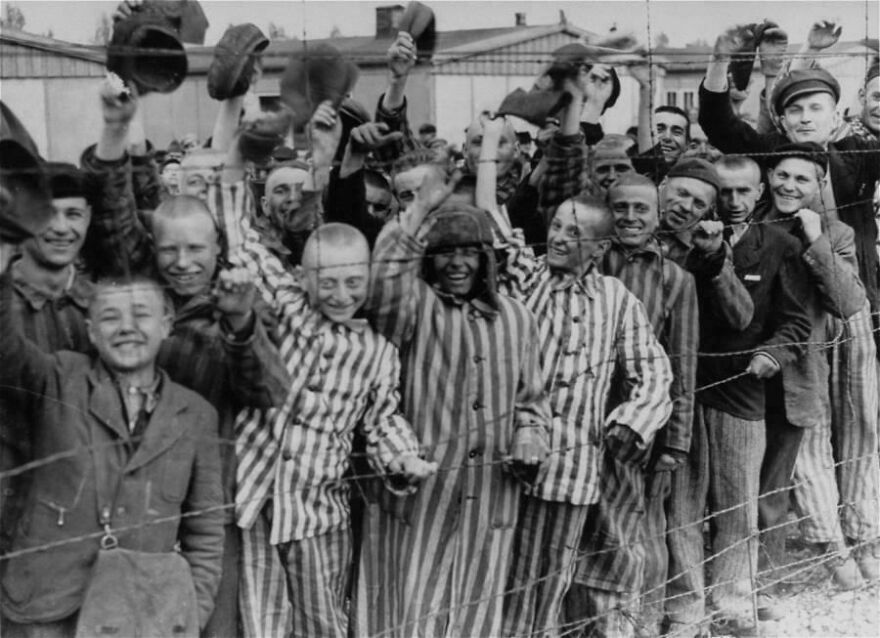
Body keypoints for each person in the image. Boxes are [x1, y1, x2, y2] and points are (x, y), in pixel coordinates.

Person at [80, 83, 292, 638]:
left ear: (218, 249)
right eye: (170, 249)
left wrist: (240, 324)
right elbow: (115, 217)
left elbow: (269, 390)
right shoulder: (142, 296)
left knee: (205, 622)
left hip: (204, 501)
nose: (182, 263)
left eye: (196, 249)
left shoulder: (240, 302)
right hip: (125, 501)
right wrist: (118, 129)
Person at [356, 174, 551, 637]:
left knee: (475, 608)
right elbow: (385, 279)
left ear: (487, 259)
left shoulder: (517, 317)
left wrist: (529, 436)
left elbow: (532, 402)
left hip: (489, 493)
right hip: (421, 489)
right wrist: (418, 213)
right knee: (407, 605)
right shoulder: (414, 306)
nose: (458, 263)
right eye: (446, 252)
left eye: (469, 252)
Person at [0, 274, 225, 638]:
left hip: (139, 619)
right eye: (110, 317)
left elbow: (206, 534)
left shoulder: (197, 415)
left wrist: (187, 615)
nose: (126, 328)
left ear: (166, 325)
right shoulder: (59, 377)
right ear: (91, 331)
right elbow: (5, 348)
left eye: (141, 315)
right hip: (45, 612)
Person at [755, 144, 877, 589]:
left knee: (818, 449)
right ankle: (815, 552)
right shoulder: (749, 222)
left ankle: (848, 543)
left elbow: (848, 302)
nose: (789, 186)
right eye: (783, 175)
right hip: (751, 361)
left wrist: (815, 240)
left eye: (802, 179)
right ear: (769, 176)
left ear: (819, 184)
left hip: (805, 362)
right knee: (765, 471)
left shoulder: (836, 233)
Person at [601, 173, 699, 636]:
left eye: (640, 208)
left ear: (658, 215)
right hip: (587, 417)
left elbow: (683, 362)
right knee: (595, 525)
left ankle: (644, 619)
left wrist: (675, 443)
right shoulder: (591, 262)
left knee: (644, 527)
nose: (629, 217)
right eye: (620, 207)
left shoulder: (674, 278)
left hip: (645, 426)